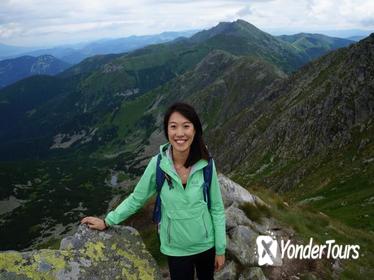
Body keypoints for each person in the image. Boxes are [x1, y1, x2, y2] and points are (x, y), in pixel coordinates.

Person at [81, 102, 226, 279]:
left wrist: (220, 249)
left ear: (195, 130)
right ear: (167, 131)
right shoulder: (157, 165)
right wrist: (107, 221)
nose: (180, 133)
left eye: (186, 126)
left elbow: (216, 209)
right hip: (176, 249)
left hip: (206, 245)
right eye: (173, 127)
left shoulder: (206, 164)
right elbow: (137, 199)